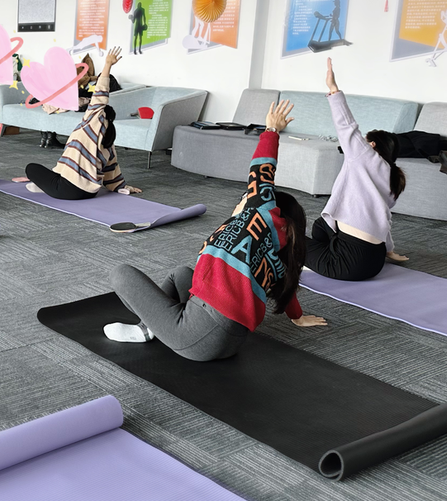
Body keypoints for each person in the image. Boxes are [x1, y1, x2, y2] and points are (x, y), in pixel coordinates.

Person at [104, 100, 327, 361]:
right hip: (229, 340)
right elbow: (287, 285)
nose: (244, 198)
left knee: (121, 274)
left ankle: (145, 330)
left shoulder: (261, 215)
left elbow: (261, 170)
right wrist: (297, 317)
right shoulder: (273, 249)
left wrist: (271, 131)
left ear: (273, 209)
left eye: (248, 196)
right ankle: (152, 327)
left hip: (195, 337)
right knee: (180, 274)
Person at [304, 59, 408, 281]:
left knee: (291, 240)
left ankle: (312, 260)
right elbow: (383, 217)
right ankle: (321, 255)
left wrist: (334, 90)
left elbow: (347, 127)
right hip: (375, 262)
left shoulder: (364, 157)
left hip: (347, 264)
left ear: (372, 145)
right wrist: (389, 250)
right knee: (322, 225)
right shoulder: (393, 175)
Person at [12, 47, 141, 201]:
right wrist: (123, 187)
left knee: (31, 168)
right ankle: (44, 185)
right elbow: (112, 172)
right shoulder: (109, 144)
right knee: (52, 174)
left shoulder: (93, 124)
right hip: (89, 193)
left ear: (98, 114)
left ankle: (44, 186)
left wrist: (107, 65)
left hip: (66, 189)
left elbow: (100, 95)